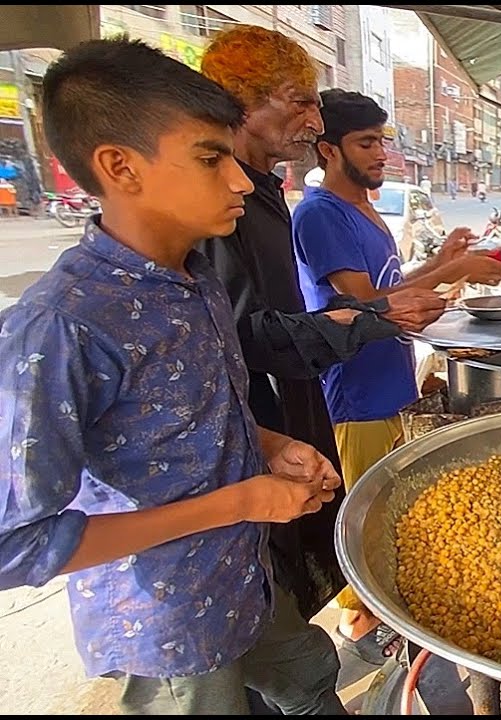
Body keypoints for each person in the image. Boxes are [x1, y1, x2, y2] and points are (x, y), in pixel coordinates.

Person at [0, 38, 345, 714]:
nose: (242, 180)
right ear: (119, 166)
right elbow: (15, 543)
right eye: (210, 159)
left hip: (246, 577)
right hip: (168, 622)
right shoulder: (63, 325)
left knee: (308, 680)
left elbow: (190, 412)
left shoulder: (193, 279)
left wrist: (270, 445)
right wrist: (244, 502)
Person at [197, 26, 445, 661]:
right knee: (288, 582)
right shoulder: (239, 208)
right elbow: (252, 336)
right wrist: (377, 318)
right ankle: (355, 624)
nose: (311, 118)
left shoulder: (264, 194)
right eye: (297, 101)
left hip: (292, 414)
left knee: (318, 544)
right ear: (240, 105)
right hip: (270, 426)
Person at [292, 89, 501, 662]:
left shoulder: (364, 209)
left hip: (391, 380)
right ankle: (360, 626)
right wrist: (452, 271)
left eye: (383, 140)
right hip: (355, 392)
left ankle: (381, 614)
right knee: (360, 513)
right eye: (366, 142)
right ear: (327, 150)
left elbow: (392, 283)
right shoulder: (319, 214)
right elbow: (365, 305)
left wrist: (444, 261)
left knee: (391, 506)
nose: (381, 152)